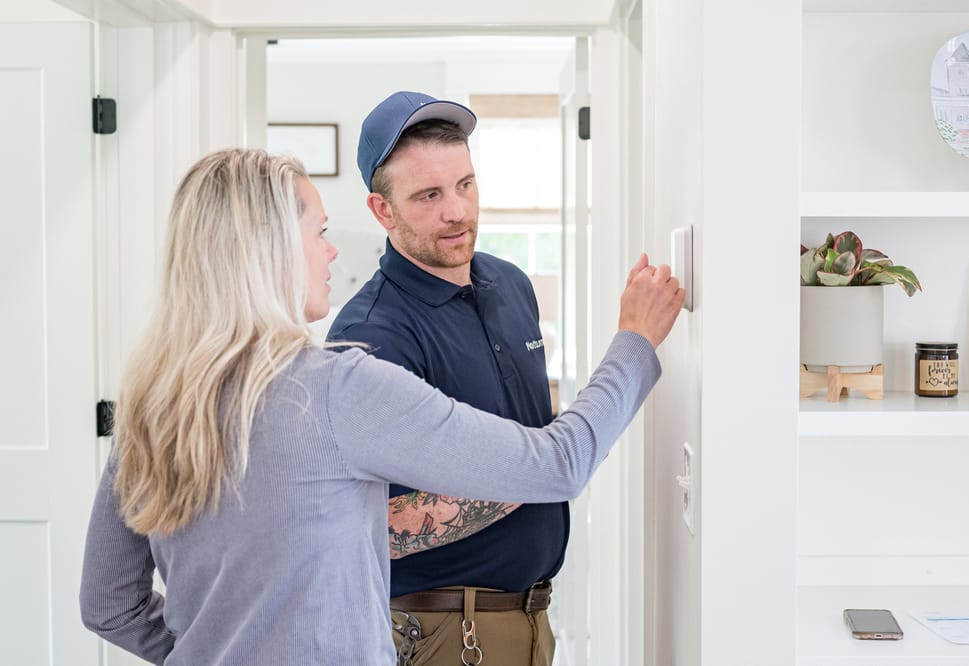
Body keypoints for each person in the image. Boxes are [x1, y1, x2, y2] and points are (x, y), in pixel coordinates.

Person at [78, 147, 685, 665]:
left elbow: (109, 605)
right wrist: (634, 339)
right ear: (270, 250)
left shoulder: (152, 406)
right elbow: (558, 463)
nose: (331, 254)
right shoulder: (336, 388)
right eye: (319, 233)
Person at [325, 90, 575, 664]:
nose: (457, 210)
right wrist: (554, 461)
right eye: (429, 195)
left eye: (465, 184)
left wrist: (558, 452)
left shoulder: (511, 285)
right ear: (383, 210)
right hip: (442, 631)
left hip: (532, 618)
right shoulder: (370, 334)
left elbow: (532, 434)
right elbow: (374, 524)